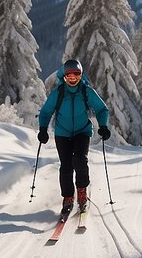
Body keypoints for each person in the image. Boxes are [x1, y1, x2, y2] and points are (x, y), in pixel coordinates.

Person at [37, 58, 111, 216]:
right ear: (64, 77)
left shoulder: (86, 91)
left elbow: (101, 109)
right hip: (62, 133)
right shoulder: (59, 92)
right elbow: (45, 112)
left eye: (76, 76)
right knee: (66, 166)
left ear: (80, 76)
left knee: (79, 160)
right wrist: (43, 129)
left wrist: (103, 126)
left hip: (82, 131)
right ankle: (68, 198)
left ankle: (82, 192)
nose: (72, 79)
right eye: (69, 76)